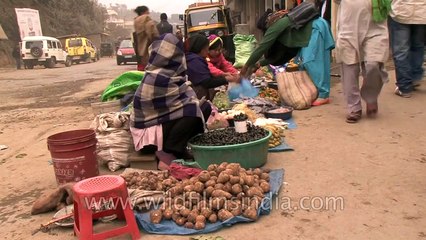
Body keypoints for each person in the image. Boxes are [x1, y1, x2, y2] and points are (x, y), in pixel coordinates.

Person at [131, 33, 211, 165]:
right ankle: (170, 151)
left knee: (203, 108)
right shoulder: (158, 77)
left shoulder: (168, 74)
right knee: (192, 112)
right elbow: (184, 105)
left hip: (159, 126)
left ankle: (178, 147)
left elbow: (177, 104)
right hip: (149, 141)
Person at [335, 0, 389, 123]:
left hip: (375, 23)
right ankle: (354, 108)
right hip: (349, 24)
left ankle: (370, 96)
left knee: (373, 63)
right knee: (349, 65)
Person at [241, 2, 319, 77]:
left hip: (316, 31)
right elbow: (276, 56)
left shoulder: (278, 24)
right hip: (310, 40)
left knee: (315, 73)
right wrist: (259, 64)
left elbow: (262, 47)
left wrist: (246, 66)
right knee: (310, 74)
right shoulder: (283, 31)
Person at [389, 0, 426, 98]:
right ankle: (415, 77)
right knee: (418, 46)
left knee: (401, 51)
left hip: (401, 11)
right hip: (422, 12)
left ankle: (404, 86)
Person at [186, 34, 239, 101]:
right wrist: (225, 78)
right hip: (195, 96)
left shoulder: (196, 58)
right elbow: (207, 82)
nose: (207, 51)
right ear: (200, 49)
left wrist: (235, 73)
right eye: (207, 49)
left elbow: (226, 65)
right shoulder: (195, 61)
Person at [133, 6, 159, 71]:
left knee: (141, 73)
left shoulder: (136, 22)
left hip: (140, 53)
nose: (148, 13)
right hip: (150, 53)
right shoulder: (148, 21)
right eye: (147, 11)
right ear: (143, 12)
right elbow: (154, 35)